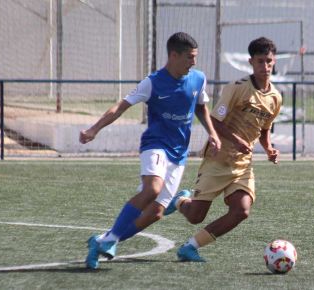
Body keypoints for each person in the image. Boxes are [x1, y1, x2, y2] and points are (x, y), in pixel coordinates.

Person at [79, 32, 220, 269]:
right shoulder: (153, 82)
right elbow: (120, 107)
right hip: (155, 145)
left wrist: (212, 133)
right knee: (152, 189)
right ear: (173, 55)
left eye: (195, 57)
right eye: (189, 57)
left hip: (179, 154)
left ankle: (102, 241)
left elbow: (200, 107)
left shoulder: (198, 79)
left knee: (155, 213)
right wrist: (94, 129)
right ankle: (112, 238)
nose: (193, 62)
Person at [164, 36, 282, 262]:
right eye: (260, 61)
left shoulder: (276, 97)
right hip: (218, 158)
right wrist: (237, 139)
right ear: (251, 62)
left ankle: (191, 246)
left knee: (241, 211)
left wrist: (269, 149)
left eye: (269, 61)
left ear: (274, 61)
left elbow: (265, 128)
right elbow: (215, 121)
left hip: (242, 165)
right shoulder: (237, 89)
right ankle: (181, 201)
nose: (265, 67)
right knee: (195, 216)